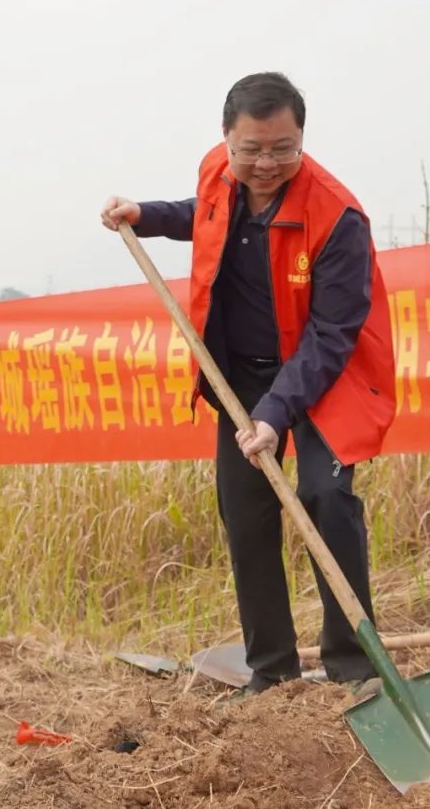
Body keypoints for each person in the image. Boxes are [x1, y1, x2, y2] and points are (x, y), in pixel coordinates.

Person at [100, 72, 396, 696]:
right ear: (227, 139)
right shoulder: (220, 171)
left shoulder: (337, 217)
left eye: (283, 149)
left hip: (324, 378)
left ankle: (352, 665)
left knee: (325, 498)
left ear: (302, 139)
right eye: (252, 149)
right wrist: (146, 216)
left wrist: (278, 411)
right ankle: (273, 668)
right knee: (246, 512)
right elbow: (204, 217)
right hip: (239, 375)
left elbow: (332, 333)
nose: (266, 164)